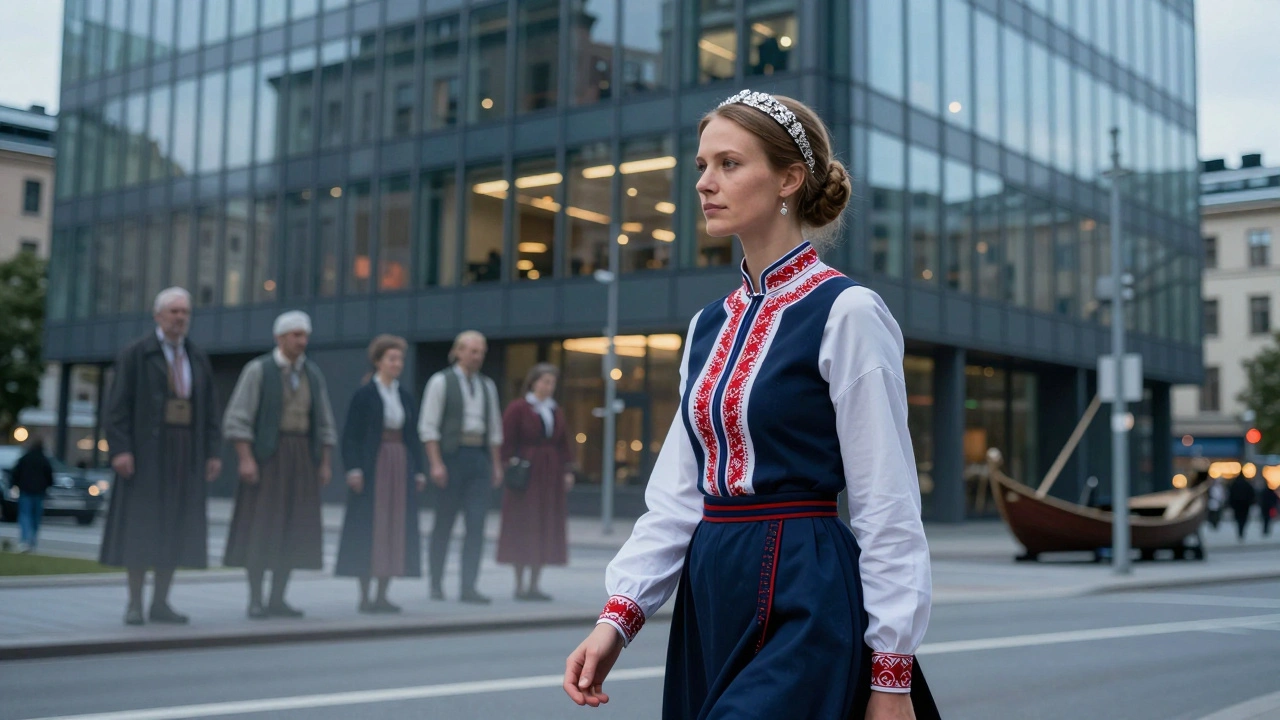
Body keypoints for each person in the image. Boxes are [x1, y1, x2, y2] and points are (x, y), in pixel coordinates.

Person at [563, 91, 939, 719]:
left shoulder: (848, 313)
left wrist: (891, 676)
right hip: (713, 589)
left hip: (806, 585)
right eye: (702, 167)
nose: (706, 184)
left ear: (790, 178)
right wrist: (618, 619)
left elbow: (887, 504)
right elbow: (680, 494)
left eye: (729, 164)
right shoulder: (706, 326)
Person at [100, 287, 222, 626]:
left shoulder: (197, 357)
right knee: (143, 528)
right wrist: (121, 449)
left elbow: (210, 410)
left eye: (185, 312)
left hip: (185, 449)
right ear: (158, 316)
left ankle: (161, 603)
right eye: (174, 312)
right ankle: (135, 603)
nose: (180, 318)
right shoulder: (137, 354)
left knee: (175, 526)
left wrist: (212, 452)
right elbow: (117, 408)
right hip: (146, 453)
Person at [223, 311, 338, 619]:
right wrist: (246, 458)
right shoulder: (259, 370)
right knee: (263, 529)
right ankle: (256, 599)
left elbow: (325, 423)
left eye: (305, 335)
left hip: (302, 456)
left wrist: (324, 463)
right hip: (268, 456)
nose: (302, 341)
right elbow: (238, 418)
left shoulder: (313, 374)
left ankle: (278, 598)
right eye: (296, 335)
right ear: (280, 338)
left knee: (293, 528)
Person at [335, 335, 427, 613]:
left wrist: (419, 470)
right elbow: (350, 435)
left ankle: (383, 593)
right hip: (372, 465)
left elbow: (413, 436)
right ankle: (364, 595)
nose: (397, 364)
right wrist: (354, 468)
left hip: (399, 464)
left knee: (395, 527)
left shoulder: (404, 396)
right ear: (378, 361)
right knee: (370, 527)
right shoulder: (365, 394)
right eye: (392, 358)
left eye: (400, 359)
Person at [418, 330, 504, 604]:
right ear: (458, 351)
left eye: (481, 352)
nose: (477, 356)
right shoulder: (441, 382)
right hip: (451, 457)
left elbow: (494, 430)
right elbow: (428, 426)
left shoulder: (487, 386)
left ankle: (469, 586)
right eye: (473, 350)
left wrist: (496, 465)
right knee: (443, 523)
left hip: (478, 457)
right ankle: (436, 583)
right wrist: (435, 463)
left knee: (476, 525)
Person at [497, 363, 576, 601]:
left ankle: (535, 584)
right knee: (524, 524)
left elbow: (564, 444)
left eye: (551, 382)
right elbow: (506, 441)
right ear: (533, 382)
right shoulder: (519, 408)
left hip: (550, 474)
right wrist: (508, 465)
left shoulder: (555, 411)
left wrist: (567, 470)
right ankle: (519, 584)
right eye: (544, 381)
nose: (548, 386)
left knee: (544, 524)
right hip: (527, 474)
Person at [11, 438, 54, 553]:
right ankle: (32, 541)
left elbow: (15, 472)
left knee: (25, 515)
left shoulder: (25, 458)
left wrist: (15, 484)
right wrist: (47, 486)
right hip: (39, 492)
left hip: (25, 490)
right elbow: (49, 475)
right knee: (36, 517)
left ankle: (24, 540)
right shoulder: (44, 460)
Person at [1228, 475, 1257, 542]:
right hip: (1245, 505)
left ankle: (1240, 530)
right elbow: (1252, 494)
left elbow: (1231, 495)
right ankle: (1241, 530)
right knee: (1243, 519)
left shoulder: (1234, 485)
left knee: (1238, 519)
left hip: (1237, 505)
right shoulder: (1247, 484)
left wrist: (1231, 504)